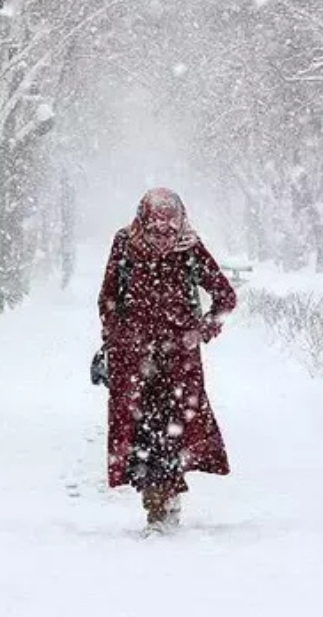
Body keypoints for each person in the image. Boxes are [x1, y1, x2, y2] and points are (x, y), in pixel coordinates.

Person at [97, 187, 237, 533]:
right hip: (135, 362)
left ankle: (164, 504)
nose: (162, 235)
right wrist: (116, 337)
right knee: (143, 434)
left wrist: (203, 330)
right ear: (143, 219)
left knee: (171, 432)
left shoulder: (190, 248)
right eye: (155, 228)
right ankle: (157, 503)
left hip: (178, 364)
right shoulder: (125, 244)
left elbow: (225, 296)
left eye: (168, 229)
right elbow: (109, 297)